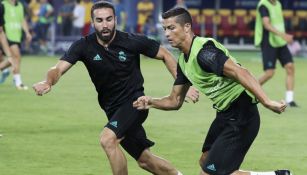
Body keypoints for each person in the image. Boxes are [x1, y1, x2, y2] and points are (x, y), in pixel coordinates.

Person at [33, 2, 199, 175]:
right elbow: (57, 69)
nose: (105, 25)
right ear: (92, 22)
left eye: (109, 19)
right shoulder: (83, 46)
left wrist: (182, 87)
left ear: (115, 20)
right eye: (99, 20)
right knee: (145, 160)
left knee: (108, 139)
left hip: (135, 104)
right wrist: (48, 82)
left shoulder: (131, 41)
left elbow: (164, 54)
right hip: (112, 110)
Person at [133, 7, 291, 175]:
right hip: (225, 114)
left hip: (242, 114)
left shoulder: (204, 52)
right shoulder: (183, 62)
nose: (166, 34)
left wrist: (267, 102)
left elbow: (241, 72)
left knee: (209, 173)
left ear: (187, 27)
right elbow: (175, 100)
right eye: (165, 29)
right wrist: (151, 101)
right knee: (206, 161)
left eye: (171, 28)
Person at [255, 0, 297, 107]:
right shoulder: (263, 5)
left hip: (280, 42)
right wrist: (284, 35)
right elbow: (266, 25)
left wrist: (283, 37)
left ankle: (290, 100)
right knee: (269, 73)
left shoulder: (278, 3)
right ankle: (248, 90)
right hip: (269, 42)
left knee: (290, 67)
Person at [1, 0, 32, 90]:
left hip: (16, 36)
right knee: (17, 57)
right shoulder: (3, 5)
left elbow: (22, 20)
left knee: (13, 59)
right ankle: (18, 82)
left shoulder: (20, 6)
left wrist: (27, 32)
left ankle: (14, 77)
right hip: (6, 35)